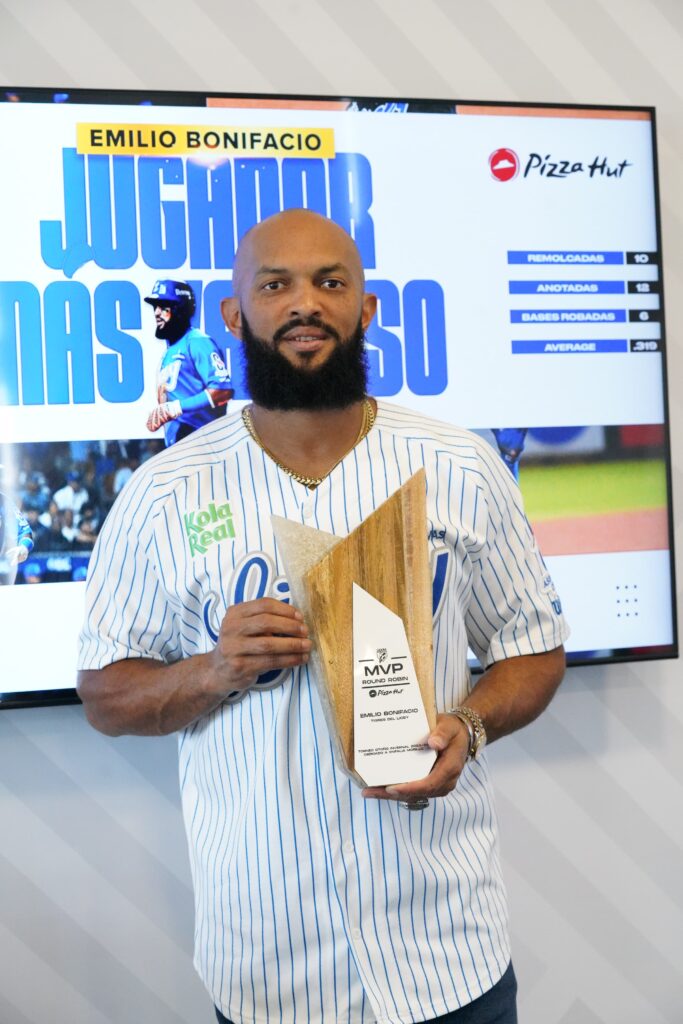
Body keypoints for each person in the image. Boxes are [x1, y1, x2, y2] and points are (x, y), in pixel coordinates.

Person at [78, 209, 569, 1024]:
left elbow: (532, 649)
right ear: (235, 315)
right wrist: (213, 669)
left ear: (366, 308)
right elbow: (105, 696)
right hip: (270, 969)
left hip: (447, 952)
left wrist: (470, 726)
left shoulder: (460, 466)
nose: (304, 303)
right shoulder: (163, 493)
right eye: (275, 284)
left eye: (329, 282)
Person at [144, 279, 234, 446]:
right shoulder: (169, 353)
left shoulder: (197, 342)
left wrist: (176, 408)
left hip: (202, 439)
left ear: (179, 309)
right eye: (155, 307)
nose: (156, 312)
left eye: (163, 307)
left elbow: (222, 391)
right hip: (178, 445)